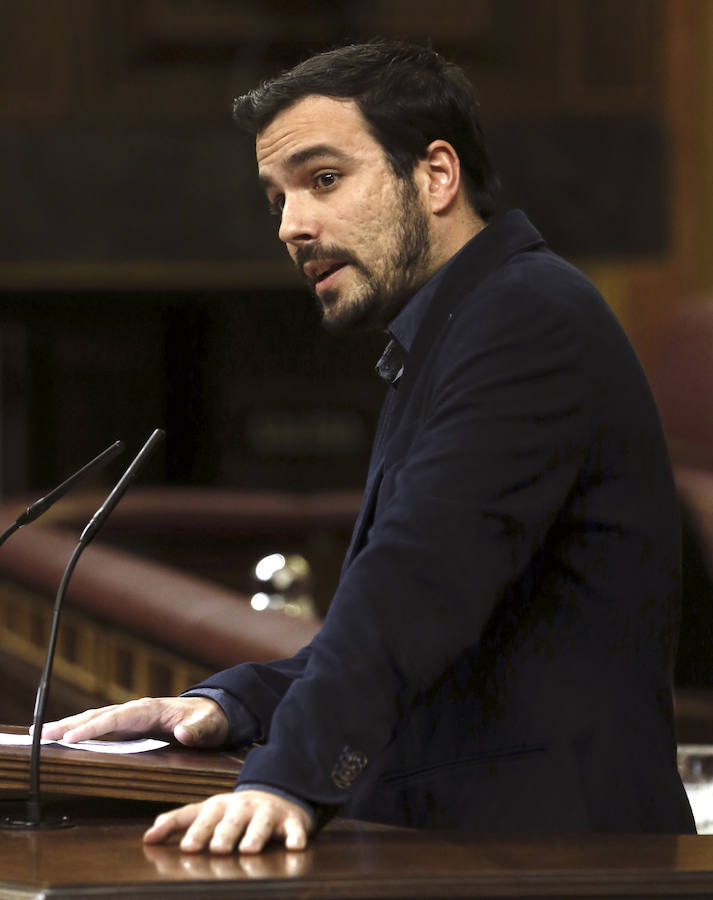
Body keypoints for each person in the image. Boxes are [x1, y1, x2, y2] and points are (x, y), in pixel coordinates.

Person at [40, 41, 695, 853]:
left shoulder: (527, 318)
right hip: (485, 844)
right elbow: (433, 620)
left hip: (556, 853)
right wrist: (229, 704)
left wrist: (288, 777)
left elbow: (416, 582)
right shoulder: (458, 327)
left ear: (436, 176)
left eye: (322, 180)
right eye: (276, 197)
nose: (291, 226)